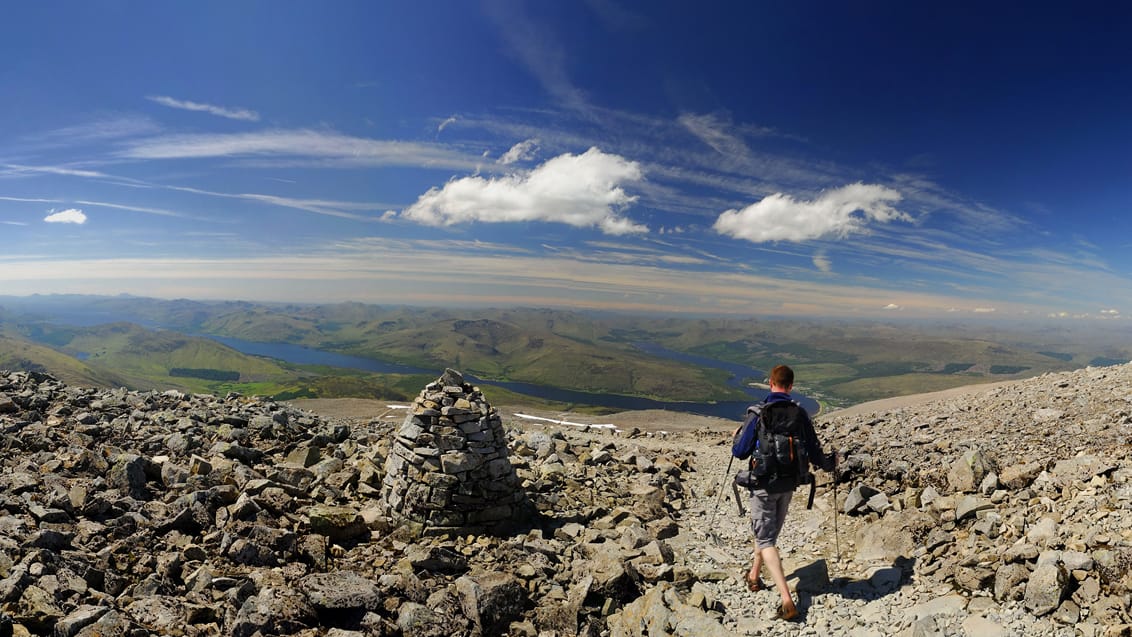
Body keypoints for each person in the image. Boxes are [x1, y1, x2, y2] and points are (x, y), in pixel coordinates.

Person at [731, 364, 833, 621]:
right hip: (788, 485)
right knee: (766, 536)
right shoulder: (800, 414)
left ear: (770, 383)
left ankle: (787, 599)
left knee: (765, 540)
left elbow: (740, 452)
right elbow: (814, 451)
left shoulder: (758, 413)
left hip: (763, 484)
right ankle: (754, 576)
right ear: (790, 386)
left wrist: (737, 437)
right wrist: (832, 464)